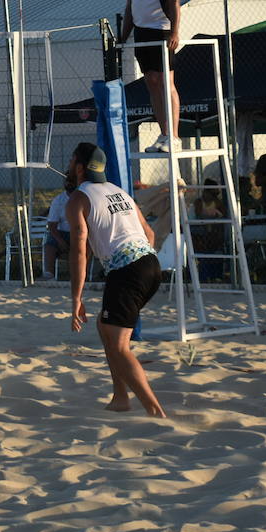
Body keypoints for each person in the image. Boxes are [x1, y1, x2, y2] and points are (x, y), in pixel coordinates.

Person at [65, 142, 166, 418]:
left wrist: (76, 299)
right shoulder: (119, 192)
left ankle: (154, 410)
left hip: (128, 272)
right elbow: (150, 234)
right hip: (151, 265)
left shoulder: (78, 199)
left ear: (79, 167)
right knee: (104, 326)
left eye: (72, 160)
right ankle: (121, 397)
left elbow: (79, 251)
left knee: (119, 344)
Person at [119, 0, 182, 154]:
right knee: (152, 83)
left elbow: (174, 0)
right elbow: (129, 5)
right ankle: (164, 134)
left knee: (167, 82)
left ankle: (174, 136)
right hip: (142, 32)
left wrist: (174, 31)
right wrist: (123, 37)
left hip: (162, 30)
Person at [42, 178, 76, 276]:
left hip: (80, 232)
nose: (69, 182)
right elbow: (52, 226)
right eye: (67, 180)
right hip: (64, 233)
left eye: (72, 179)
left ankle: (77, 274)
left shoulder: (85, 196)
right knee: (50, 242)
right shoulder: (59, 200)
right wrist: (60, 241)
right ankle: (49, 274)